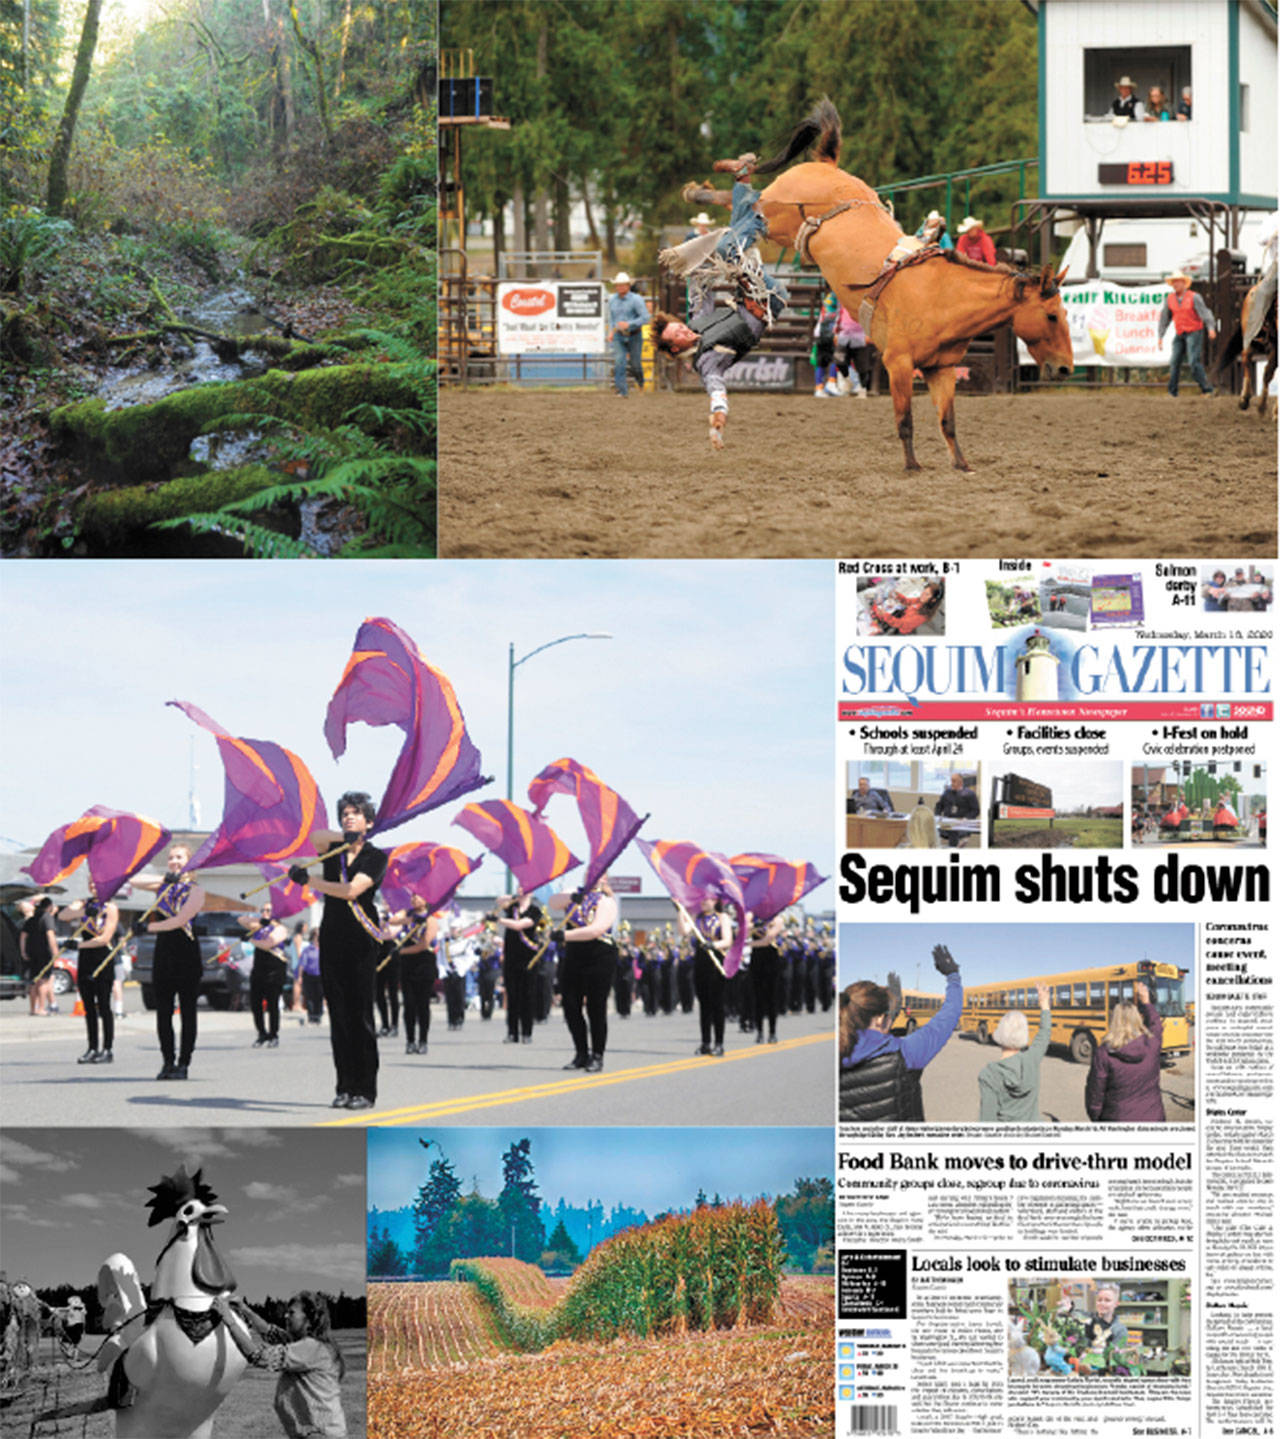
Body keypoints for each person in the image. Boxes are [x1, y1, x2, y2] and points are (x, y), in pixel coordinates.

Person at [652, 178, 789, 450]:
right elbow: (716, 387)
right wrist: (719, 414)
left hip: (750, 289)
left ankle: (743, 179)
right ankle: (758, 218)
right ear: (676, 347)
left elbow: (700, 288)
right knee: (728, 249)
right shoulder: (706, 362)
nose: (683, 330)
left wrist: (694, 255)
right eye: (677, 334)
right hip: (768, 301)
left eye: (678, 327)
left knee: (727, 242)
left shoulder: (697, 320)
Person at [289, 792, 387, 1111]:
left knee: (360, 1016)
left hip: (361, 940)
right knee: (339, 1018)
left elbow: (351, 890)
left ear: (369, 822)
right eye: (344, 813)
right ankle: (344, 1086)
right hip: (332, 937)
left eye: (356, 813)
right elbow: (315, 836)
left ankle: (365, 1090)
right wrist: (344, 837)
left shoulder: (375, 856)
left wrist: (311, 882)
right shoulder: (333, 849)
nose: (348, 817)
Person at [839, 944, 962, 1121]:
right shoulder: (906, 1053)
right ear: (881, 1018)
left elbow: (870, 1035)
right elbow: (949, 1014)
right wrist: (953, 975)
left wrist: (890, 1016)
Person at [213, 1292, 346, 1438]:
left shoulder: (312, 1347)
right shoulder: (304, 1343)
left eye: (291, 1313)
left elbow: (259, 1357)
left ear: (309, 1318)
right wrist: (244, 1309)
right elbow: (270, 1332)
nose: (286, 1316)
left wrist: (229, 1320)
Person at [132, 845, 206, 1080]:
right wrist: (164, 878)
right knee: (163, 1011)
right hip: (163, 954)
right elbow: (133, 881)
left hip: (187, 954)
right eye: (171, 858)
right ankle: (167, 1061)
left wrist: (148, 927)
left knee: (187, 1011)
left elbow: (180, 920)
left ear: (190, 862)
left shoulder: (196, 891)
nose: (174, 861)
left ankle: (184, 1063)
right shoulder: (163, 886)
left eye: (179, 857)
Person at [554, 876, 619, 1072]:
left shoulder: (607, 901)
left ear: (604, 879)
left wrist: (564, 935)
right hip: (574, 955)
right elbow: (553, 902)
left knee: (595, 1006)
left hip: (599, 956)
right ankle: (580, 1053)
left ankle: (597, 1055)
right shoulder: (574, 894)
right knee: (570, 1005)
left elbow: (595, 930)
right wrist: (573, 897)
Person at [1085, 980, 1166, 1122]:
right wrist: (1146, 1002)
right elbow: (1156, 1025)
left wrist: (1096, 1117)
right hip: (1154, 1118)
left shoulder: (1104, 1052)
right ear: (1138, 1018)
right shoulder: (1152, 1044)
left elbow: (1095, 1093)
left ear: (1114, 1020)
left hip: (1117, 1118)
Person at [978, 983, 1052, 1121]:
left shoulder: (989, 1075)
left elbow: (987, 1121)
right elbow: (1044, 1033)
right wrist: (1044, 1004)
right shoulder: (1032, 1060)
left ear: (999, 1034)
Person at [59, 893, 119, 1064]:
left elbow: (105, 938)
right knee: (88, 1006)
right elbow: (63, 915)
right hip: (86, 958)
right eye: (91, 882)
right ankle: (92, 1048)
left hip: (102, 958)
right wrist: (83, 911)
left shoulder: (110, 907)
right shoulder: (83, 903)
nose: (93, 886)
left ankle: (107, 1049)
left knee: (104, 1005)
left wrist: (78, 945)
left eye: (96, 882)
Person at [680, 896, 732, 1057]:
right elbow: (684, 931)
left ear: (716, 901)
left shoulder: (722, 917)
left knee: (717, 1003)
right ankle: (705, 1043)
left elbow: (727, 940)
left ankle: (719, 1043)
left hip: (716, 960)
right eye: (702, 899)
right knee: (704, 1004)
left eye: (708, 899)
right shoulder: (697, 917)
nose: (704, 902)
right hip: (701, 961)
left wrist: (714, 944)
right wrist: (680, 912)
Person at [238, 902, 290, 1048]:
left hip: (274, 971)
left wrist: (251, 940)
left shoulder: (281, 929)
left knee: (272, 1004)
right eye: (263, 910)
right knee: (256, 1004)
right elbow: (241, 920)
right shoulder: (259, 926)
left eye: (268, 910)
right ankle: (261, 1033)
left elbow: (268, 944)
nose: (265, 913)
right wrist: (260, 922)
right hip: (259, 969)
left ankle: (274, 1034)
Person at [390, 896, 438, 1055]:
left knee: (423, 1004)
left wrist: (401, 952)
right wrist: (406, 915)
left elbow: (424, 944)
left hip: (424, 963)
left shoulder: (431, 918)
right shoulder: (409, 916)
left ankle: (423, 1040)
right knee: (409, 1004)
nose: (414, 899)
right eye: (413, 897)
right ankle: (410, 1041)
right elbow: (393, 921)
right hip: (407, 965)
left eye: (418, 897)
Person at [495, 888, 543, 1045]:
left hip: (529, 959)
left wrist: (499, 920)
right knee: (512, 995)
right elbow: (499, 900)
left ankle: (527, 1032)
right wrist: (514, 897)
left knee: (527, 996)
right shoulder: (512, 907)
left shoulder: (535, 910)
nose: (521, 890)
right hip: (511, 957)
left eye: (525, 888)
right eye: (519, 887)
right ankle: (512, 1032)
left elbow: (519, 925)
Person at [1157, 272, 1216, 398]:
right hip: (1180, 332)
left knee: (1193, 361)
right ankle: (1172, 391)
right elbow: (1164, 319)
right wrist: (1160, 336)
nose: (1175, 284)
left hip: (1194, 331)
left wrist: (1210, 327)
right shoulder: (1170, 299)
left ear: (1184, 283)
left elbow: (1205, 313)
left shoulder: (1194, 297)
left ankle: (1207, 389)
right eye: (1174, 281)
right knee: (1174, 361)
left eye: (1178, 281)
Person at [608, 271, 648, 398]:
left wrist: (629, 324)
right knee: (619, 361)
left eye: (622, 285)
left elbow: (645, 317)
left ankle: (640, 382)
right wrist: (611, 331)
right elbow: (612, 319)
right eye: (618, 285)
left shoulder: (636, 300)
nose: (620, 287)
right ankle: (622, 390)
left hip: (634, 334)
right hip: (618, 335)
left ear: (628, 285)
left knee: (635, 364)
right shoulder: (612, 300)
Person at [748, 912, 784, 1044]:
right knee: (757, 997)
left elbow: (767, 940)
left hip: (771, 960)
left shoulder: (777, 920)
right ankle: (759, 1032)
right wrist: (749, 925)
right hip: (756, 959)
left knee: (771, 998)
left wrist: (748, 944)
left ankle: (772, 1032)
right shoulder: (753, 919)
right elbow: (743, 933)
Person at [20, 895, 59, 1017]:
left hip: (32, 952)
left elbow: (23, 936)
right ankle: (41, 1008)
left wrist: (23, 952)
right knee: (44, 981)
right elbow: (50, 935)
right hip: (44, 953)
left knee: (33, 981)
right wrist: (55, 952)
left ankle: (33, 1009)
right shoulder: (47, 917)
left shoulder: (31, 919)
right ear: (49, 906)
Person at [871, 581, 944, 635]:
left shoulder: (922, 616)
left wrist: (885, 615)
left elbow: (900, 624)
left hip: (903, 630)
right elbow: (907, 601)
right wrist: (896, 594)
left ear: (933, 599)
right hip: (904, 619)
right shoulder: (921, 601)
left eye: (927, 594)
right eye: (924, 591)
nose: (922, 594)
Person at [935, 772, 980, 847]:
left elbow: (975, 810)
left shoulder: (970, 794)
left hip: (962, 823)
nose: (951, 783)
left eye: (954, 781)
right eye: (951, 781)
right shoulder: (947, 792)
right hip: (947, 822)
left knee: (954, 833)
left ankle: (953, 849)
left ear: (961, 782)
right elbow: (939, 805)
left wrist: (966, 818)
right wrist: (938, 816)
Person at [832, 305, 869, 396]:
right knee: (839, 360)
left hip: (859, 337)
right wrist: (836, 333)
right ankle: (847, 379)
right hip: (844, 336)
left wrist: (868, 334)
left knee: (862, 366)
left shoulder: (865, 305)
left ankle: (863, 389)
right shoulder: (843, 304)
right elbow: (838, 317)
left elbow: (870, 319)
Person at [812, 288, 840, 398]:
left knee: (821, 362)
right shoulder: (838, 297)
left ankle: (819, 388)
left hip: (820, 332)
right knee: (835, 358)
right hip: (831, 332)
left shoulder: (829, 298)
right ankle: (831, 382)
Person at [1083, 1283, 1130, 1348]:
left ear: (1116, 1304)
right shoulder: (1087, 1323)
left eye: (1107, 1300)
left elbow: (1116, 1355)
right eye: (1099, 1300)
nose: (1102, 1303)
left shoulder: (1120, 1330)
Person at [296, 926, 323, 1023]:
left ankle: (318, 1015)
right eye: (316, 935)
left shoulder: (324, 948)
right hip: (309, 975)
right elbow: (302, 963)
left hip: (321, 976)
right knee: (310, 996)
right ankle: (311, 1016)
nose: (318, 937)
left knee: (319, 996)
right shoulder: (308, 949)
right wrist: (299, 976)